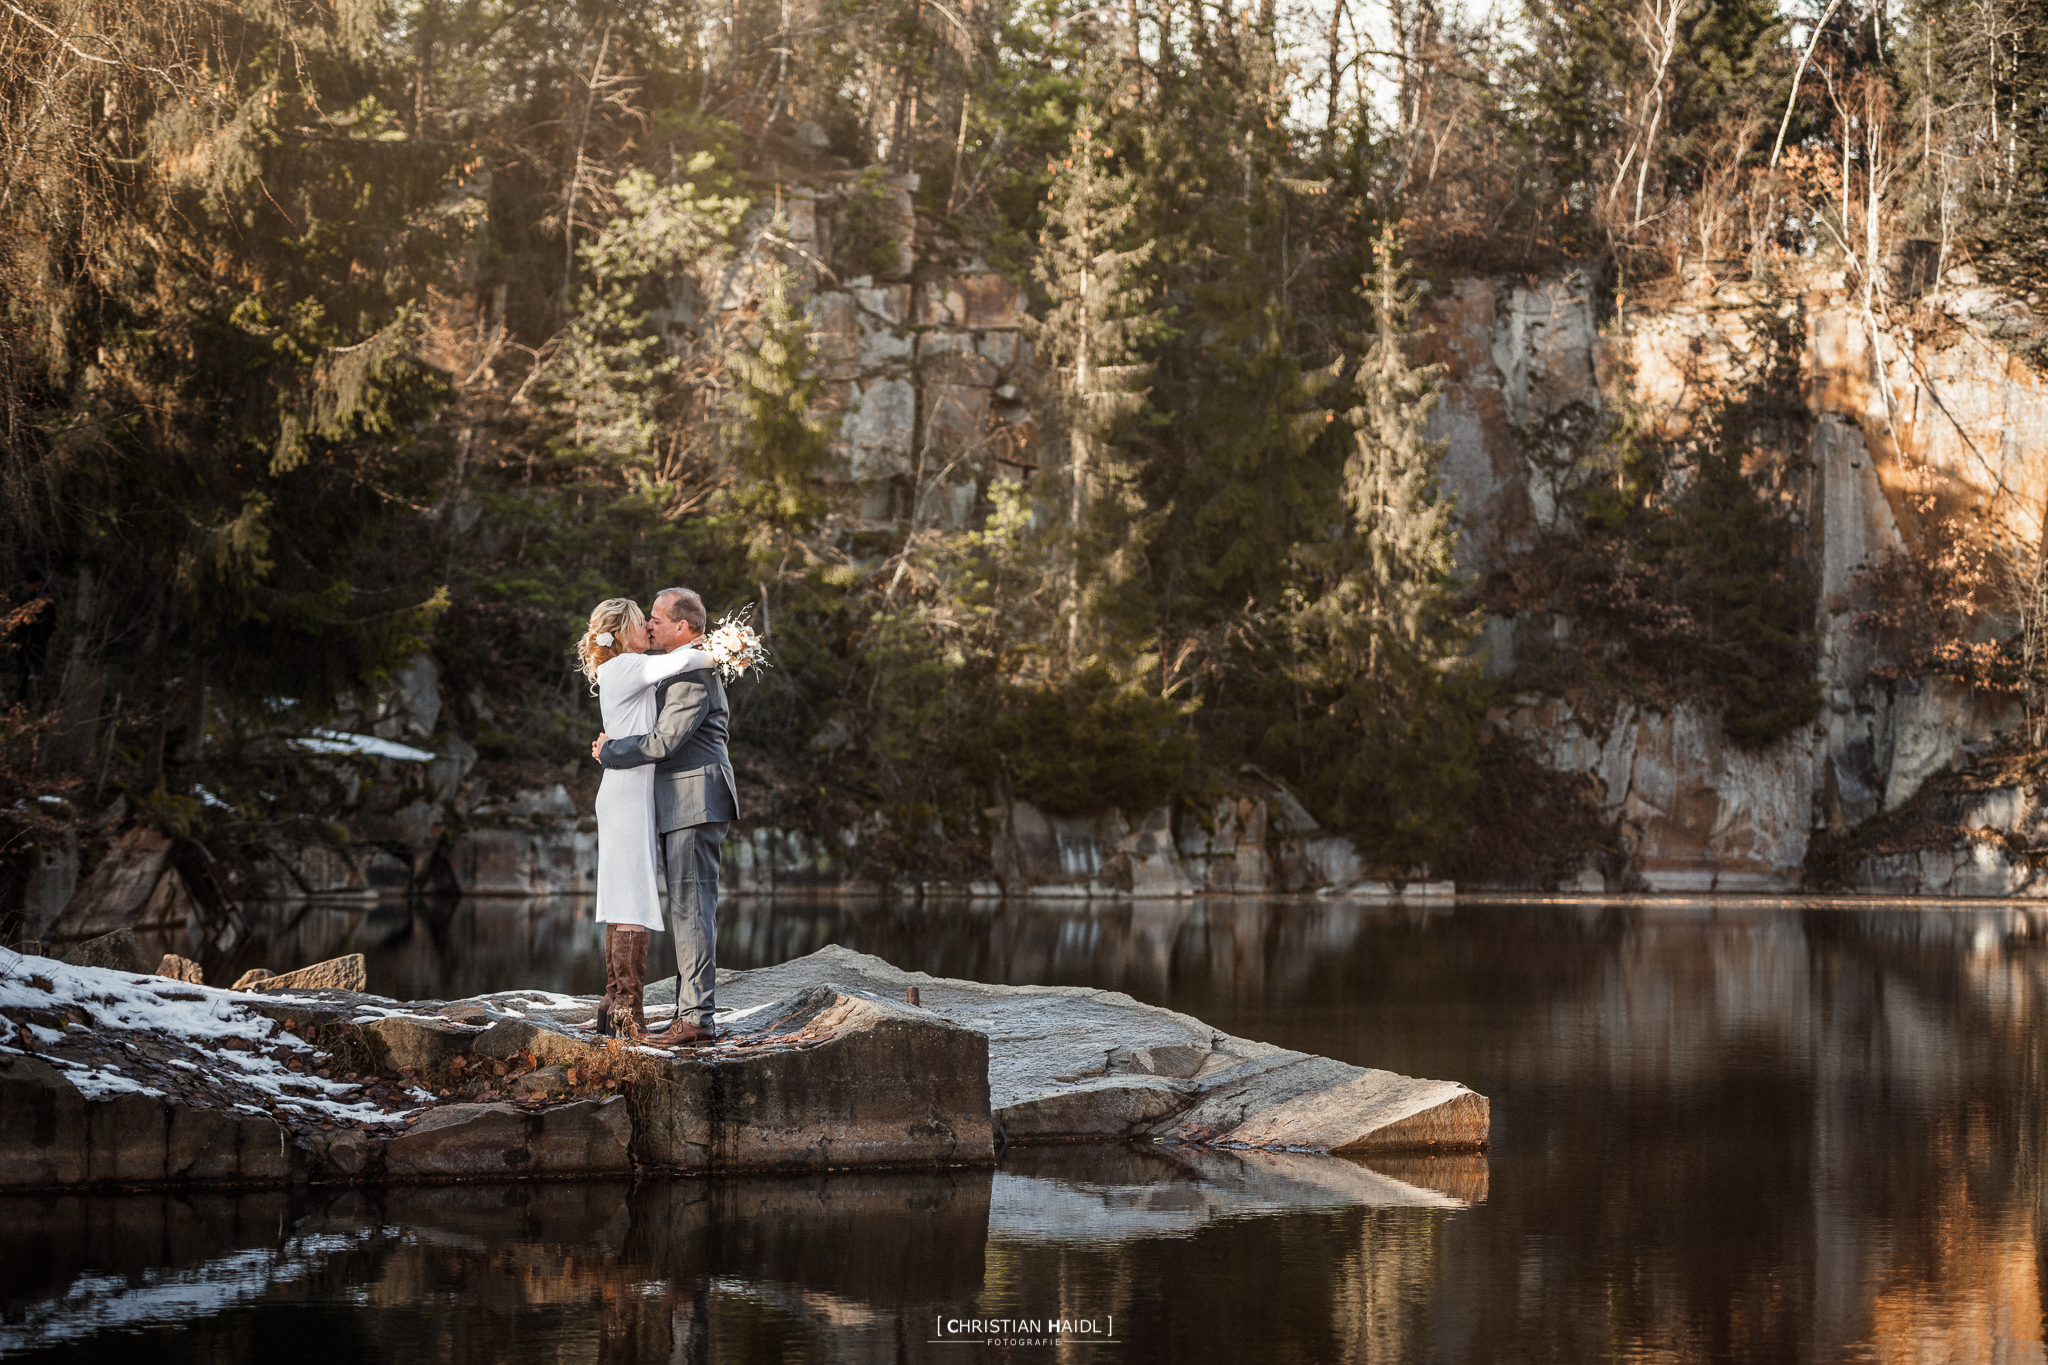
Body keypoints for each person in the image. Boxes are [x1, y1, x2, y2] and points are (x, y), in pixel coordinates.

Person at [592, 587, 736, 1046]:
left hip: (696, 796)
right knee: (680, 907)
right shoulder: (660, 668)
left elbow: (664, 742)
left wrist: (611, 750)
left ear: (682, 627)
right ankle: (641, 1009)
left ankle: (694, 1019)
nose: (649, 625)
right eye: (644, 619)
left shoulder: (691, 672)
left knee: (691, 909)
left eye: (656, 618)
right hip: (675, 799)